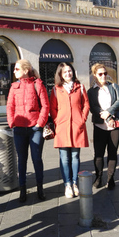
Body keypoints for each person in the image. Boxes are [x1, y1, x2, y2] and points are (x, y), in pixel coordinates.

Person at [7, 59, 49, 202]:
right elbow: (10, 107)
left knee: (36, 159)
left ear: (25, 70)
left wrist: (40, 123)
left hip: (35, 128)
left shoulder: (38, 84)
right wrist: (12, 123)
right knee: (22, 160)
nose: (14, 71)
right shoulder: (14, 87)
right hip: (19, 128)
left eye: (17, 69)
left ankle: (40, 188)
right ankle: (23, 189)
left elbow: (45, 105)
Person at [49, 62, 90, 198]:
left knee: (75, 156)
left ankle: (74, 183)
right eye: (65, 72)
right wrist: (57, 121)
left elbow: (86, 104)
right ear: (60, 74)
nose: (68, 74)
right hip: (62, 127)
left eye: (70, 71)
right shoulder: (56, 89)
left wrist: (82, 119)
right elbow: (53, 108)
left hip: (77, 126)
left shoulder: (80, 87)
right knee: (64, 158)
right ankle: (67, 184)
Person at [87, 63, 119, 190]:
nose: (103, 76)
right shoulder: (91, 91)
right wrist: (107, 117)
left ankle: (110, 178)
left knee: (112, 152)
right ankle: (98, 177)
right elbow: (93, 107)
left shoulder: (114, 86)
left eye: (105, 73)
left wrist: (109, 112)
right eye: (100, 74)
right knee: (98, 154)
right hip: (100, 125)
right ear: (95, 75)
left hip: (116, 125)